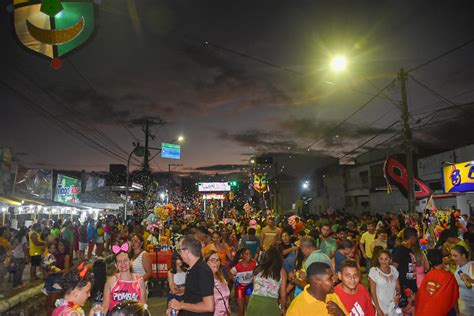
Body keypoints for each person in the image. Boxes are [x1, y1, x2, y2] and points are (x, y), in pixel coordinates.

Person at [169, 235, 214, 315]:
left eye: (180, 250)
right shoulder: (192, 269)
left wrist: (181, 305)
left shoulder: (202, 271)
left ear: (187, 251)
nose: (179, 254)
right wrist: (177, 306)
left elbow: (209, 306)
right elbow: (192, 298)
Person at [103, 242, 146, 312]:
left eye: (125, 260)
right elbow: (105, 307)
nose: (123, 264)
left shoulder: (139, 280)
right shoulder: (111, 281)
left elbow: (143, 306)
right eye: (119, 261)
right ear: (116, 265)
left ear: (130, 262)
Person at [415, 249, 459, 316]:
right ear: (442, 260)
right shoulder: (449, 276)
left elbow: (421, 296)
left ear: (430, 262)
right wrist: (457, 313)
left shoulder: (428, 275)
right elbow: (454, 298)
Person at [246, 246, 287, 316]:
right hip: (270, 304)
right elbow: (283, 295)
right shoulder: (282, 272)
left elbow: (254, 287)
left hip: (254, 302)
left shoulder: (257, 269)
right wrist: (282, 308)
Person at [391, 227, 418, 314]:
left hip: (411, 285)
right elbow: (393, 269)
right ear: (412, 237)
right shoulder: (399, 250)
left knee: (412, 309)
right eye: (416, 237)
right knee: (405, 310)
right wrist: (401, 287)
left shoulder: (409, 250)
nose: (416, 240)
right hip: (404, 286)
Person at [368, 250, 401, 316]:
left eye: (386, 259)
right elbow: (372, 292)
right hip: (380, 305)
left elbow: (398, 287)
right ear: (378, 259)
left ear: (390, 260)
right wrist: (378, 309)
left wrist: (398, 295)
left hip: (393, 305)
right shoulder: (373, 271)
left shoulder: (393, 269)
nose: (383, 261)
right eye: (381, 259)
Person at [46, 239, 71, 315]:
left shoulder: (66, 256)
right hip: (51, 279)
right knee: (48, 301)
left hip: (59, 280)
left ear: (66, 246)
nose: (61, 247)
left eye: (62, 245)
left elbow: (66, 270)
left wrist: (54, 272)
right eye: (59, 245)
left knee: (52, 302)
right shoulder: (55, 254)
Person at [230, 248, 257, 316]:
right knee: (241, 309)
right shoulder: (238, 265)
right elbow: (230, 273)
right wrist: (234, 280)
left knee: (250, 307)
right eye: (246, 254)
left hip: (249, 287)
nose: (249, 256)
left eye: (250, 254)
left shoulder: (254, 263)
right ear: (242, 255)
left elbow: (259, 271)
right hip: (240, 288)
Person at [205, 251, 230, 316]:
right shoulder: (204, 280)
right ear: (205, 263)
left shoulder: (221, 278)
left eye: (217, 260)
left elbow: (226, 300)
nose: (216, 262)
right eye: (212, 260)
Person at [451, 245, 474, 316]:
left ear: (463, 255)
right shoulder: (458, 266)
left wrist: (470, 279)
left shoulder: (471, 266)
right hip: (464, 302)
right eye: (452, 255)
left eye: (455, 256)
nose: (452, 258)